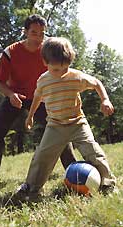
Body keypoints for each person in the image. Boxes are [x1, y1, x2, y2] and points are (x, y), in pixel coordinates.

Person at [0, 15, 76, 189]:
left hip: (42, 97)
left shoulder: (49, 49)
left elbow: (62, 70)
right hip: (16, 96)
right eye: (34, 33)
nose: (38, 38)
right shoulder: (10, 52)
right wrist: (11, 94)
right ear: (25, 32)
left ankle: (74, 172)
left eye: (42, 33)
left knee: (59, 128)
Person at [14, 37, 116, 201]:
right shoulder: (43, 81)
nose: (61, 73)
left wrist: (105, 99)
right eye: (56, 70)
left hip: (77, 123)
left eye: (65, 68)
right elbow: (37, 98)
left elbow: (96, 83)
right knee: (42, 156)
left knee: (93, 151)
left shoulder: (76, 77)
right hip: (54, 126)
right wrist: (30, 116)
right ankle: (31, 187)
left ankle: (107, 183)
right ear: (45, 62)